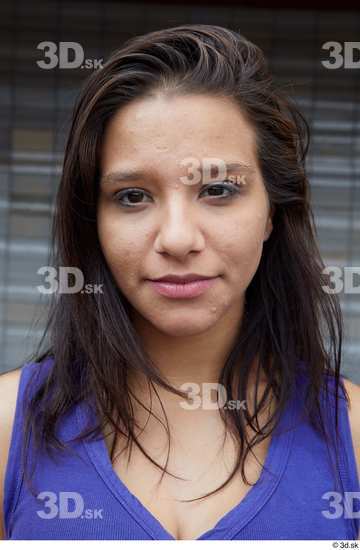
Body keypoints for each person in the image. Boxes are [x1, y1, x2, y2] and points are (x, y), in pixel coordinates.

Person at [0, 24, 359, 541]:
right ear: (92, 222)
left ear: (272, 213)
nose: (176, 238)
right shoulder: (11, 430)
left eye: (217, 189)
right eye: (132, 196)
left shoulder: (351, 436)